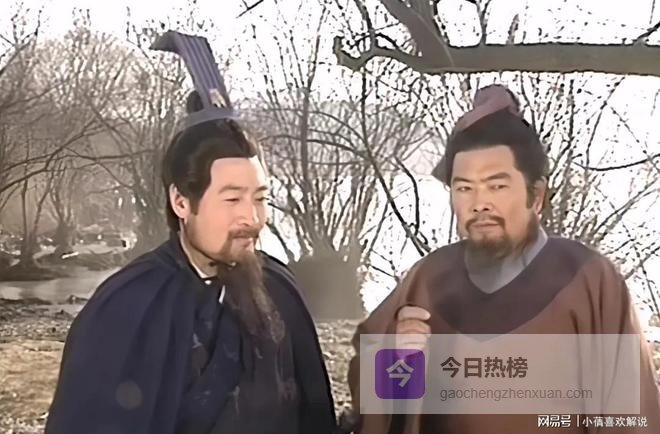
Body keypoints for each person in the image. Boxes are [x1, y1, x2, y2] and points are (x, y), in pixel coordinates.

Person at [45, 30, 336, 434]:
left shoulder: (279, 290)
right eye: (232, 199)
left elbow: (315, 419)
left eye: (260, 198)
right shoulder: (128, 306)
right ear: (181, 202)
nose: (252, 217)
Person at [347, 84, 660, 433]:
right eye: (464, 188)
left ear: (536, 195)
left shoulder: (587, 279)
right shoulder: (429, 279)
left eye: (496, 186)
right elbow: (377, 398)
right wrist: (398, 359)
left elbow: (631, 416)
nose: (479, 203)